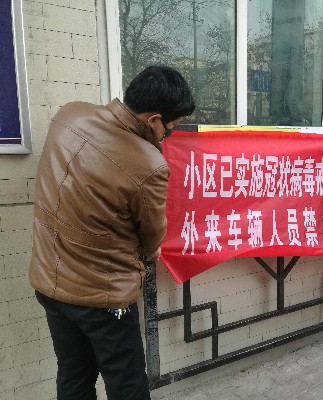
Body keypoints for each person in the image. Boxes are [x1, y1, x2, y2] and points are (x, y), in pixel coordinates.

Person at [29, 65, 195, 399]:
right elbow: (151, 237)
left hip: (49, 282)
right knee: (127, 385)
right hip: (102, 297)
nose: (167, 136)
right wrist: (152, 250)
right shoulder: (149, 164)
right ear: (153, 119)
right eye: (170, 128)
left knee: (74, 376)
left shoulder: (69, 114)